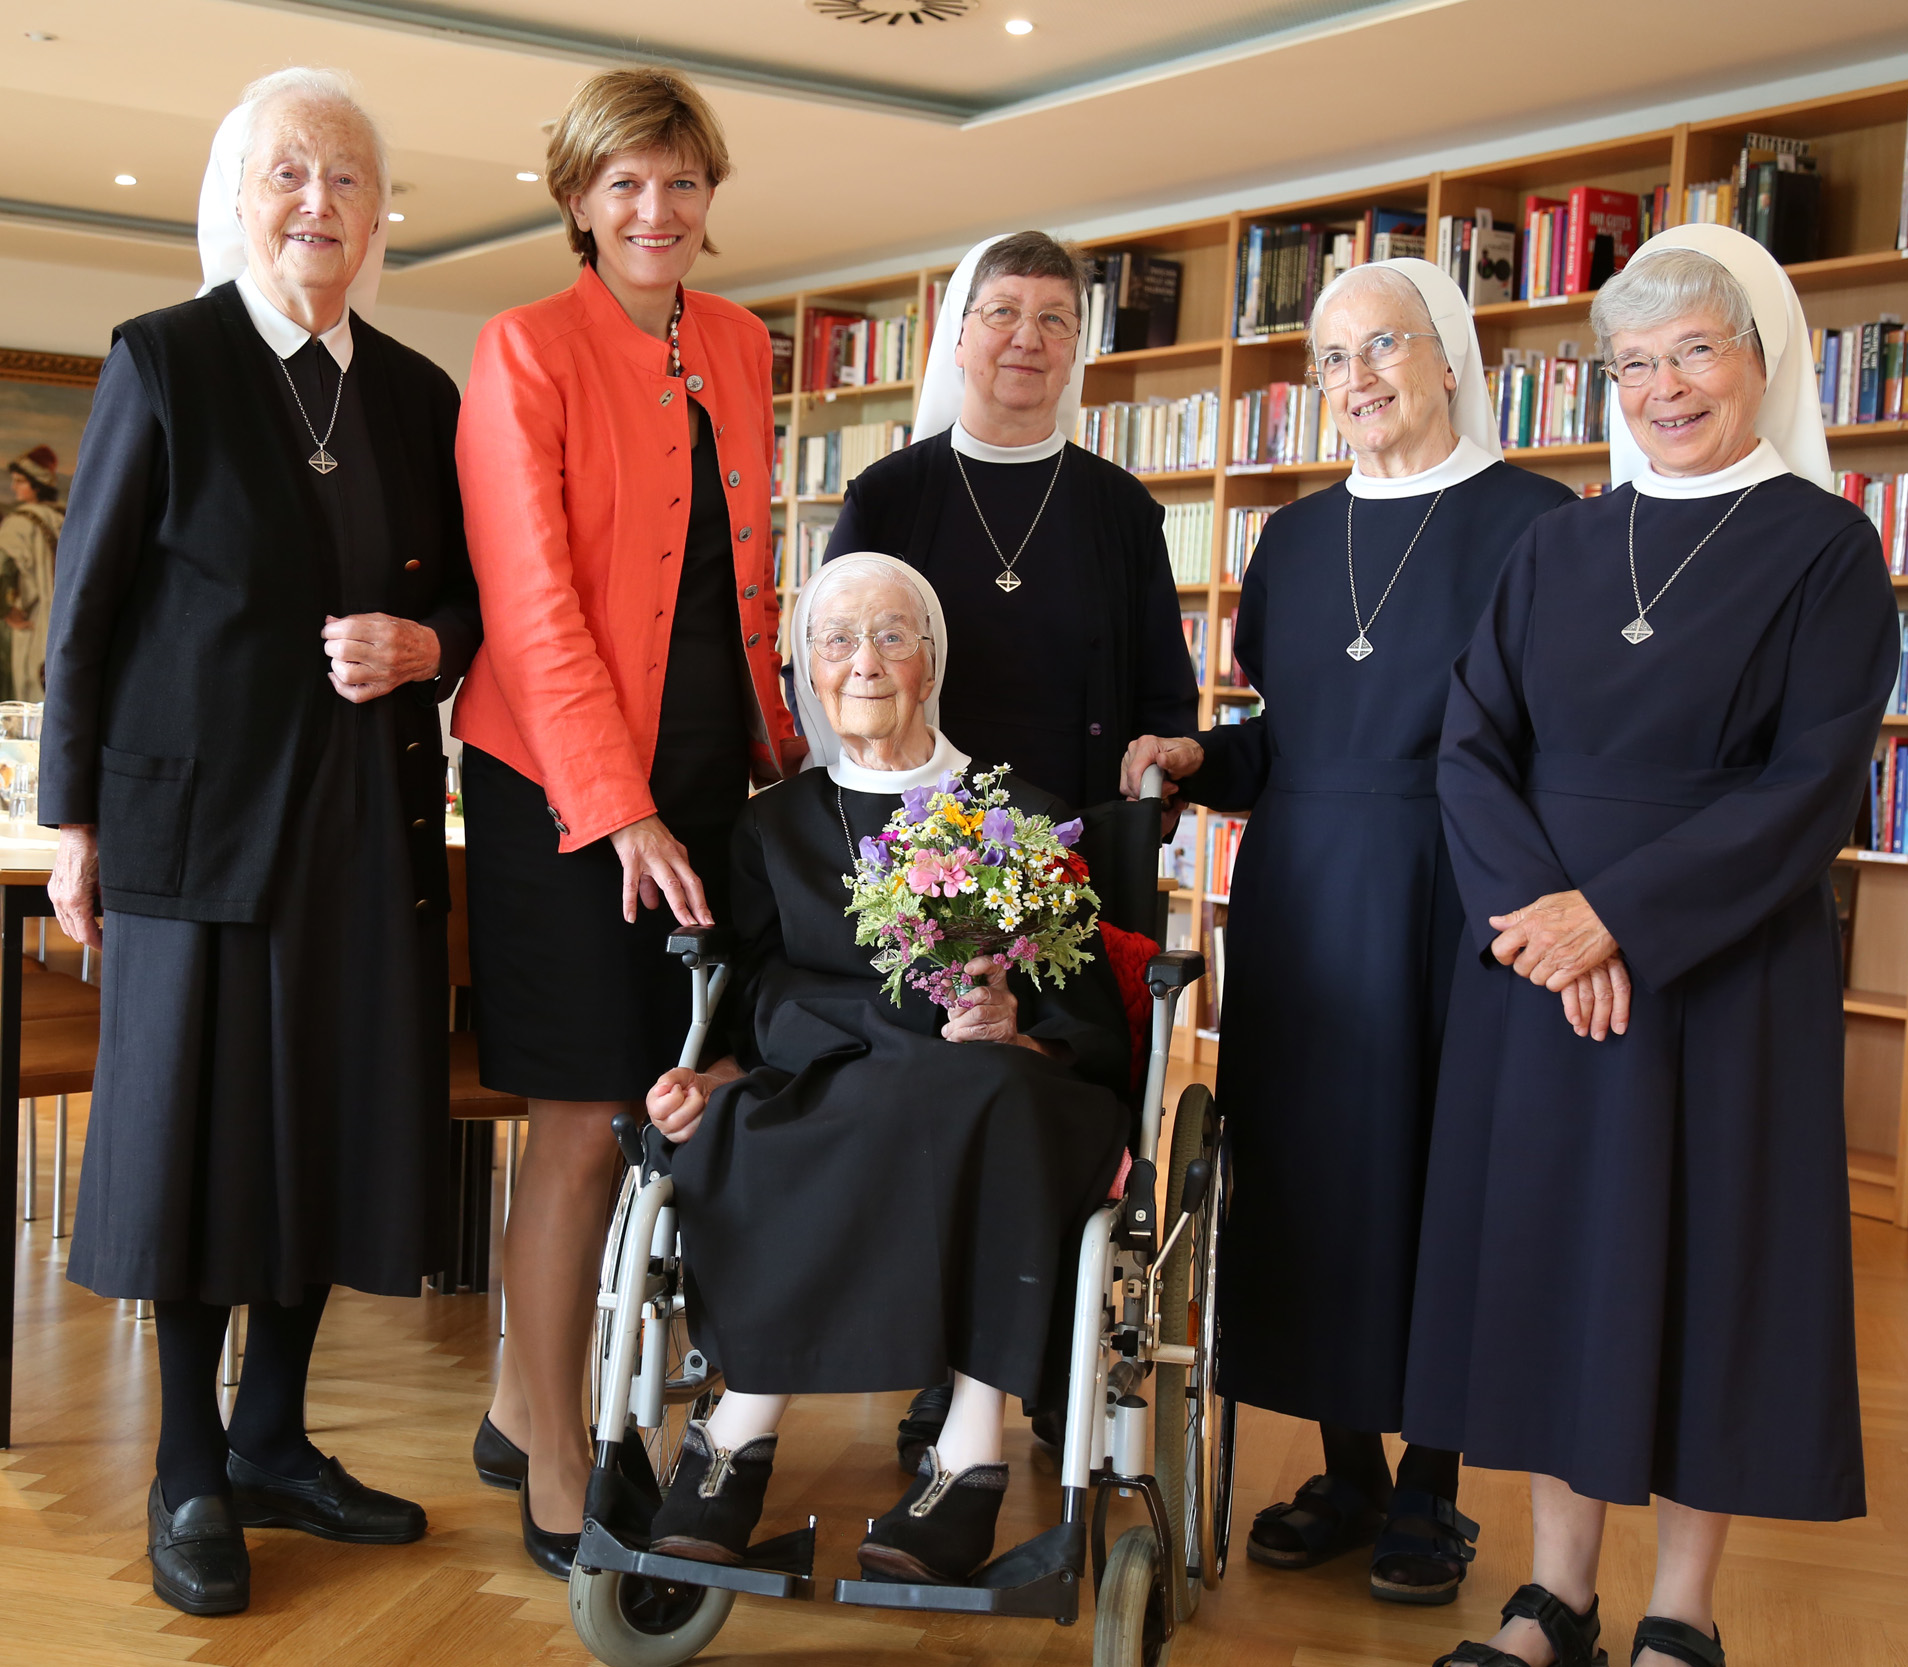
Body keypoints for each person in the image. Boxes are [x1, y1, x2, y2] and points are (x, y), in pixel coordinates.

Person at [1403, 224, 1896, 1667]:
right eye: (1635, 362)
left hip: (1722, 968)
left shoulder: (1825, 544)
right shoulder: (1559, 540)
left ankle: (1681, 1607)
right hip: (1541, 964)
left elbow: (1812, 781)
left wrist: (1620, 915)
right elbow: (1469, 745)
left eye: (1694, 352)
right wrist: (1548, 921)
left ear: (1759, 359)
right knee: (1563, 1261)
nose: (1665, 387)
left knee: (1701, 1268)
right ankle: (1555, 1589)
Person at [39, 67, 480, 1618]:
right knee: (196, 1142)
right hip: (191, 821)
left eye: (349, 181)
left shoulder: (422, 394)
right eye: (290, 175)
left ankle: (276, 1434)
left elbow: (474, 601)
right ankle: (183, 1462)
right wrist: (72, 819)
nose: (319, 205)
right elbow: (80, 616)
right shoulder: (164, 360)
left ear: (379, 216)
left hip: (366, 820)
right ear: (238, 194)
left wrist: (424, 644)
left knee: (330, 1124)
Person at [1121, 258, 1572, 1606]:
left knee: (1443, 1174)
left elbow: (1554, 744)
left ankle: (1433, 1484)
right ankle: (1348, 1466)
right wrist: (1203, 755)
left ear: (1449, 358)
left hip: (1458, 892)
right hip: (1308, 896)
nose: (1357, 377)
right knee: (1309, 1173)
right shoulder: (1299, 541)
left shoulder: (1537, 523)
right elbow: (1296, 742)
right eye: (1329, 357)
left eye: (1383, 345)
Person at [451, 66, 800, 1579]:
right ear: (580, 203)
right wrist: (622, 812)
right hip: (558, 791)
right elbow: (531, 612)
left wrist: (782, 752)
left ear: (709, 197)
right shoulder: (524, 350)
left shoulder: (738, 342)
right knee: (586, 1121)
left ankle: (517, 1394)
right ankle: (554, 1454)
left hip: (709, 779)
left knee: (679, 1101)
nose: (656, 211)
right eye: (625, 185)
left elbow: (744, 576)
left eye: (681, 183)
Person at [639, 552, 1129, 1585]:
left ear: (931, 661)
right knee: (750, 1120)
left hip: (993, 1079)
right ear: (808, 671)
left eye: (892, 635)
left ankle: (969, 1448)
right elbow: (747, 993)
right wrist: (708, 1072)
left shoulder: (1016, 814)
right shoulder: (771, 823)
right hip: (829, 1071)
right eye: (837, 638)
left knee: (981, 1093)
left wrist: (1014, 1016)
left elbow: (1082, 1014)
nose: (864, 660)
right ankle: (746, 1417)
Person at [824, 231, 1197, 809]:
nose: (1028, 338)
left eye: (1055, 319)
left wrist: (1164, 764)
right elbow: (828, 664)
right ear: (960, 338)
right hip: (907, 835)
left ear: (1074, 351)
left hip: (1080, 828)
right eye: (1003, 312)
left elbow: (1165, 694)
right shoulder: (886, 498)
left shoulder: (1124, 509)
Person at [0, 445, 66, 701]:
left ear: (37, 485)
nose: (13, 487)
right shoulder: (61, 518)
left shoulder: (18, 523)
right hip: (57, 618)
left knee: (18, 690)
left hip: (27, 621)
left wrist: (5, 610)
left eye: (20, 482)